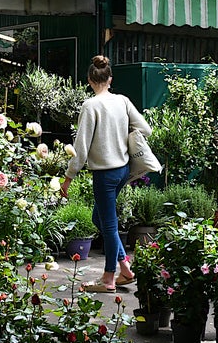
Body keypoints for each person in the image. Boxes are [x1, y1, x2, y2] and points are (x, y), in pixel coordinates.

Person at [60, 55, 151, 293]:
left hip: (105, 175)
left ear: (90, 80)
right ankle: (125, 267)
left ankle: (109, 278)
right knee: (99, 219)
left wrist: (68, 177)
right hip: (122, 171)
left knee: (108, 226)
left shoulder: (91, 106)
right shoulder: (122, 101)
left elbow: (80, 149)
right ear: (109, 79)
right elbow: (145, 129)